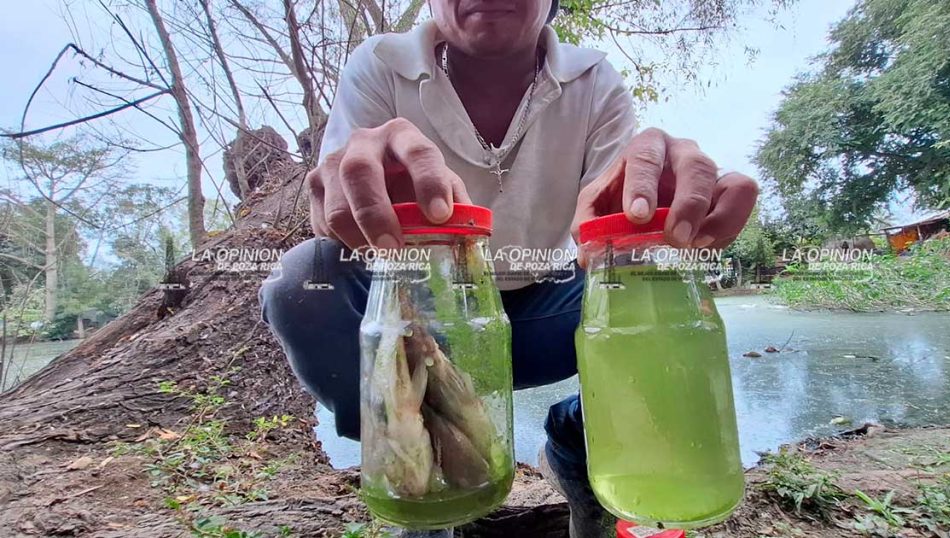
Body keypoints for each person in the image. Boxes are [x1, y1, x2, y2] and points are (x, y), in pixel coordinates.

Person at [259, 0, 758, 535]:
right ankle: (424, 481)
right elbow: (338, 214)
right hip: (430, 311)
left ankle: (581, 444)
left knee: (648, 293)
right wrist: (347, 203)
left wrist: (654, 215)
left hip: (553, 304)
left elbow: (614, 225)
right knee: (303, 279)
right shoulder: (381, 64)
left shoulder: (594, 81)